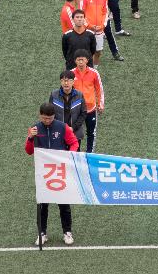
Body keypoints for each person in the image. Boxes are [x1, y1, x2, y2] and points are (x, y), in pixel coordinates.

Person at [26, 101, 79, 246]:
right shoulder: (35, 129)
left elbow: (74, 143)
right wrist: (30, 138)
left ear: (54, 116)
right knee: (43, 204)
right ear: (40, 115)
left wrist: (69, 156)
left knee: (64, 204)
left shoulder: (63, 127)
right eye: (44, 118)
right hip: (44, 173)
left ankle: (67, 232)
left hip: (60, 171)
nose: (46, 121)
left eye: (49, 118)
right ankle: (42, 233)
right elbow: (29, 151)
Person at [70, 51, 103, 152]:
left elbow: (99, 89)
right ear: (75, 61)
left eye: (82, 59)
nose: (80, 62)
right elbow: (66, 90)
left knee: (91, 132)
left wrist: (100, 104)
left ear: (87, 60)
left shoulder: (94, 73)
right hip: (77, 110)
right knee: (76, 132)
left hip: (91, 109)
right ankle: (77, 152)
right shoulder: (71, 73)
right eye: (78, 59)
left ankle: (90, 153)